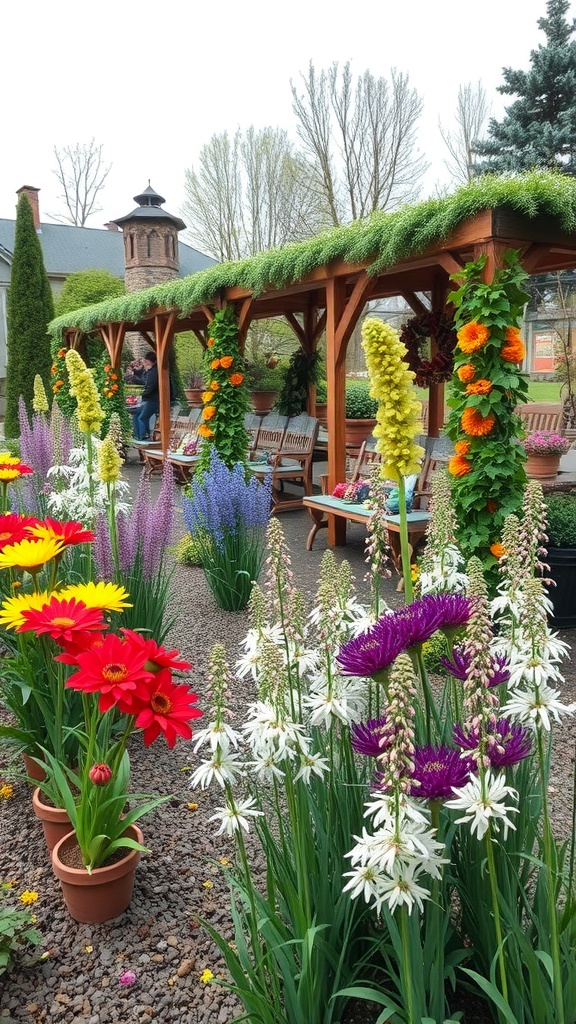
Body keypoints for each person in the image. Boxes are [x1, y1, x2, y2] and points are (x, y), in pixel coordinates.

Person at [132, 351, 159, 440]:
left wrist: (142, 394)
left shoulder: (154, 372)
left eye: (147, 361)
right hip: (148, 398)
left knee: (142, 418)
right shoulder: (151, 371)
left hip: (153, 399)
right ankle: (138, 435)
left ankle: (143, 436)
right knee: (136, 414)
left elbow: (151, 387)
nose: (146, 362)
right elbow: (147, 383)